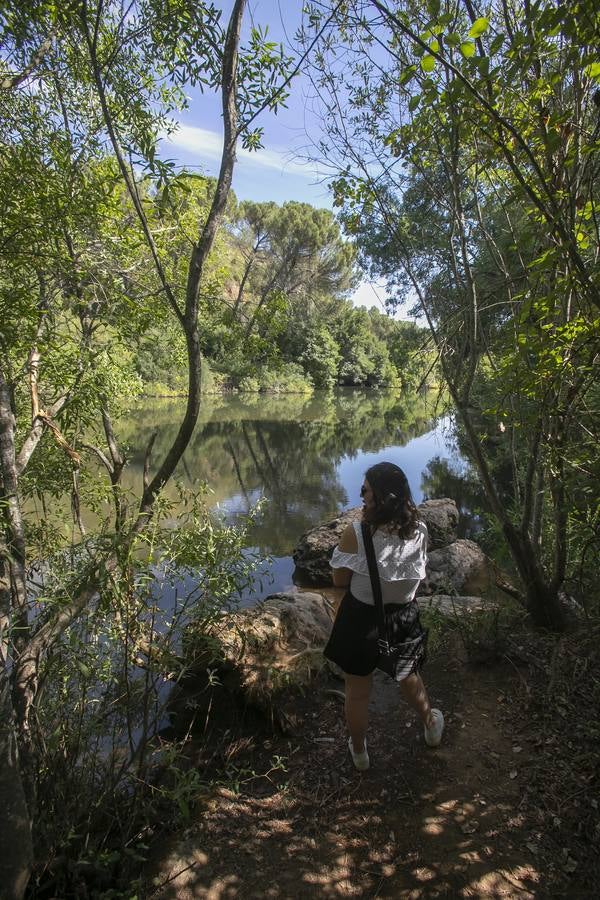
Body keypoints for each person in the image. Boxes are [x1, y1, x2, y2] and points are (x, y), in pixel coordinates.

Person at [323, 461, 443, 771]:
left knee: (357, 692)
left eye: (365, 490)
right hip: (402, 618)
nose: (360, 494)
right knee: (408, 676)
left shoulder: (358, 534)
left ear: (379, 496)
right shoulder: (420, 531)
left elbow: (339, 581)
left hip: (360, 620)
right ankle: (430, 726)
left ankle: (360, 753)